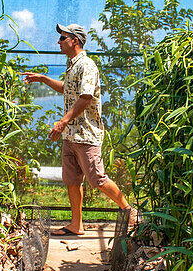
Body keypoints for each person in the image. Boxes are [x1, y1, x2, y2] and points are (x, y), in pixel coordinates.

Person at [22, 23, 135, 236]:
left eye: (63, 38)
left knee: (97, 179)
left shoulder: (87, 65)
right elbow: (67, 89)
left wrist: (63, 121)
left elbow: (85, 98)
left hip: (86, 134)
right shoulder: (72, 65)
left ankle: (129, 210)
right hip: (71, 135)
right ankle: (76, 224)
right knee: (72, 180)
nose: (58, 42)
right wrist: (43, 78)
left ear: (75, 40)